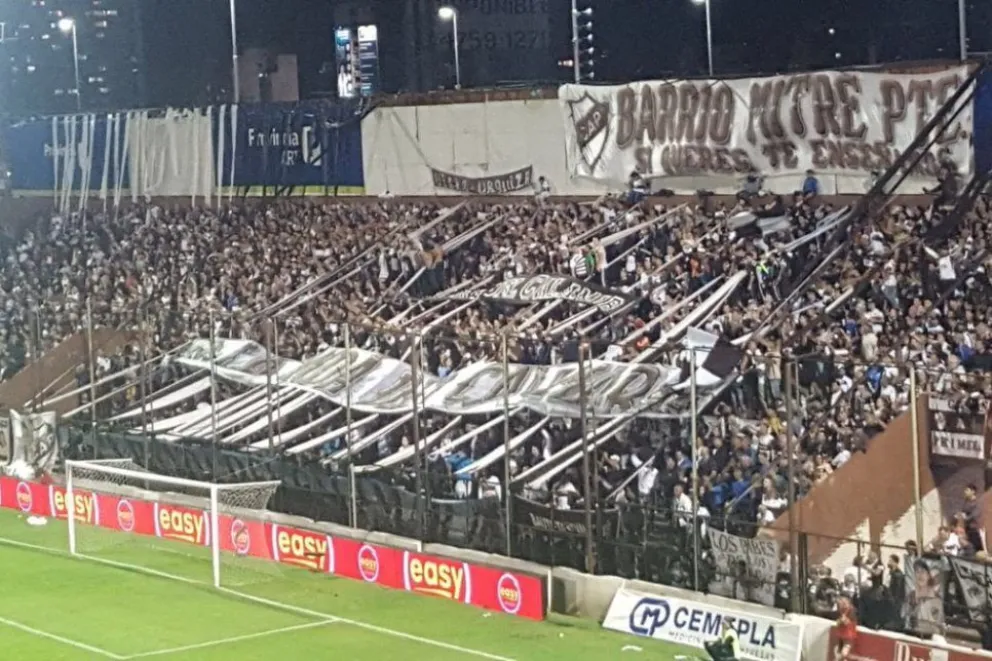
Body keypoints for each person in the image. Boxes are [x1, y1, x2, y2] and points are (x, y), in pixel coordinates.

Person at [834, 597, 857, 661]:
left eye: (844, 603)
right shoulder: (840, 612)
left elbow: (847, 622)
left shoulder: (852, 611)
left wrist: (843, 620)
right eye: (841, 604)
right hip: (841, 637)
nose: (843, 605)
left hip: (849, 637)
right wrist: (840, 620)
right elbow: (838, 622)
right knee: (838, 652)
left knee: (843, 653)